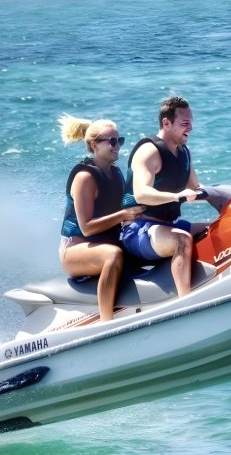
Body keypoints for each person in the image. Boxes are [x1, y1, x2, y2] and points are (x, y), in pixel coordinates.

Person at [58, 114, 145, 322]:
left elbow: (125, 213)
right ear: (94, 145)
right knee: (112, 255)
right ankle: (107, 322)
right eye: (112, 141)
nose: (117, 146)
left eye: (119, 140)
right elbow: (86, 228)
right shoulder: (85, 177)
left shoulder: (115, 174)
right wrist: (124, 215)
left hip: (104, 243)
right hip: (75, 250)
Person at [120, 96, 201, 298]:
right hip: (137, 231)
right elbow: (142, 193)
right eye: (184, 123)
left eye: (191, 122)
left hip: (165, 227)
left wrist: (228, 194)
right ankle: (187, 303)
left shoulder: (184, 152)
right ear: (166, 123)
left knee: (217, 227)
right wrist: (176, 197)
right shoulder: (149, 151)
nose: (190, 128)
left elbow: (196, 188)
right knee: (182, 239)